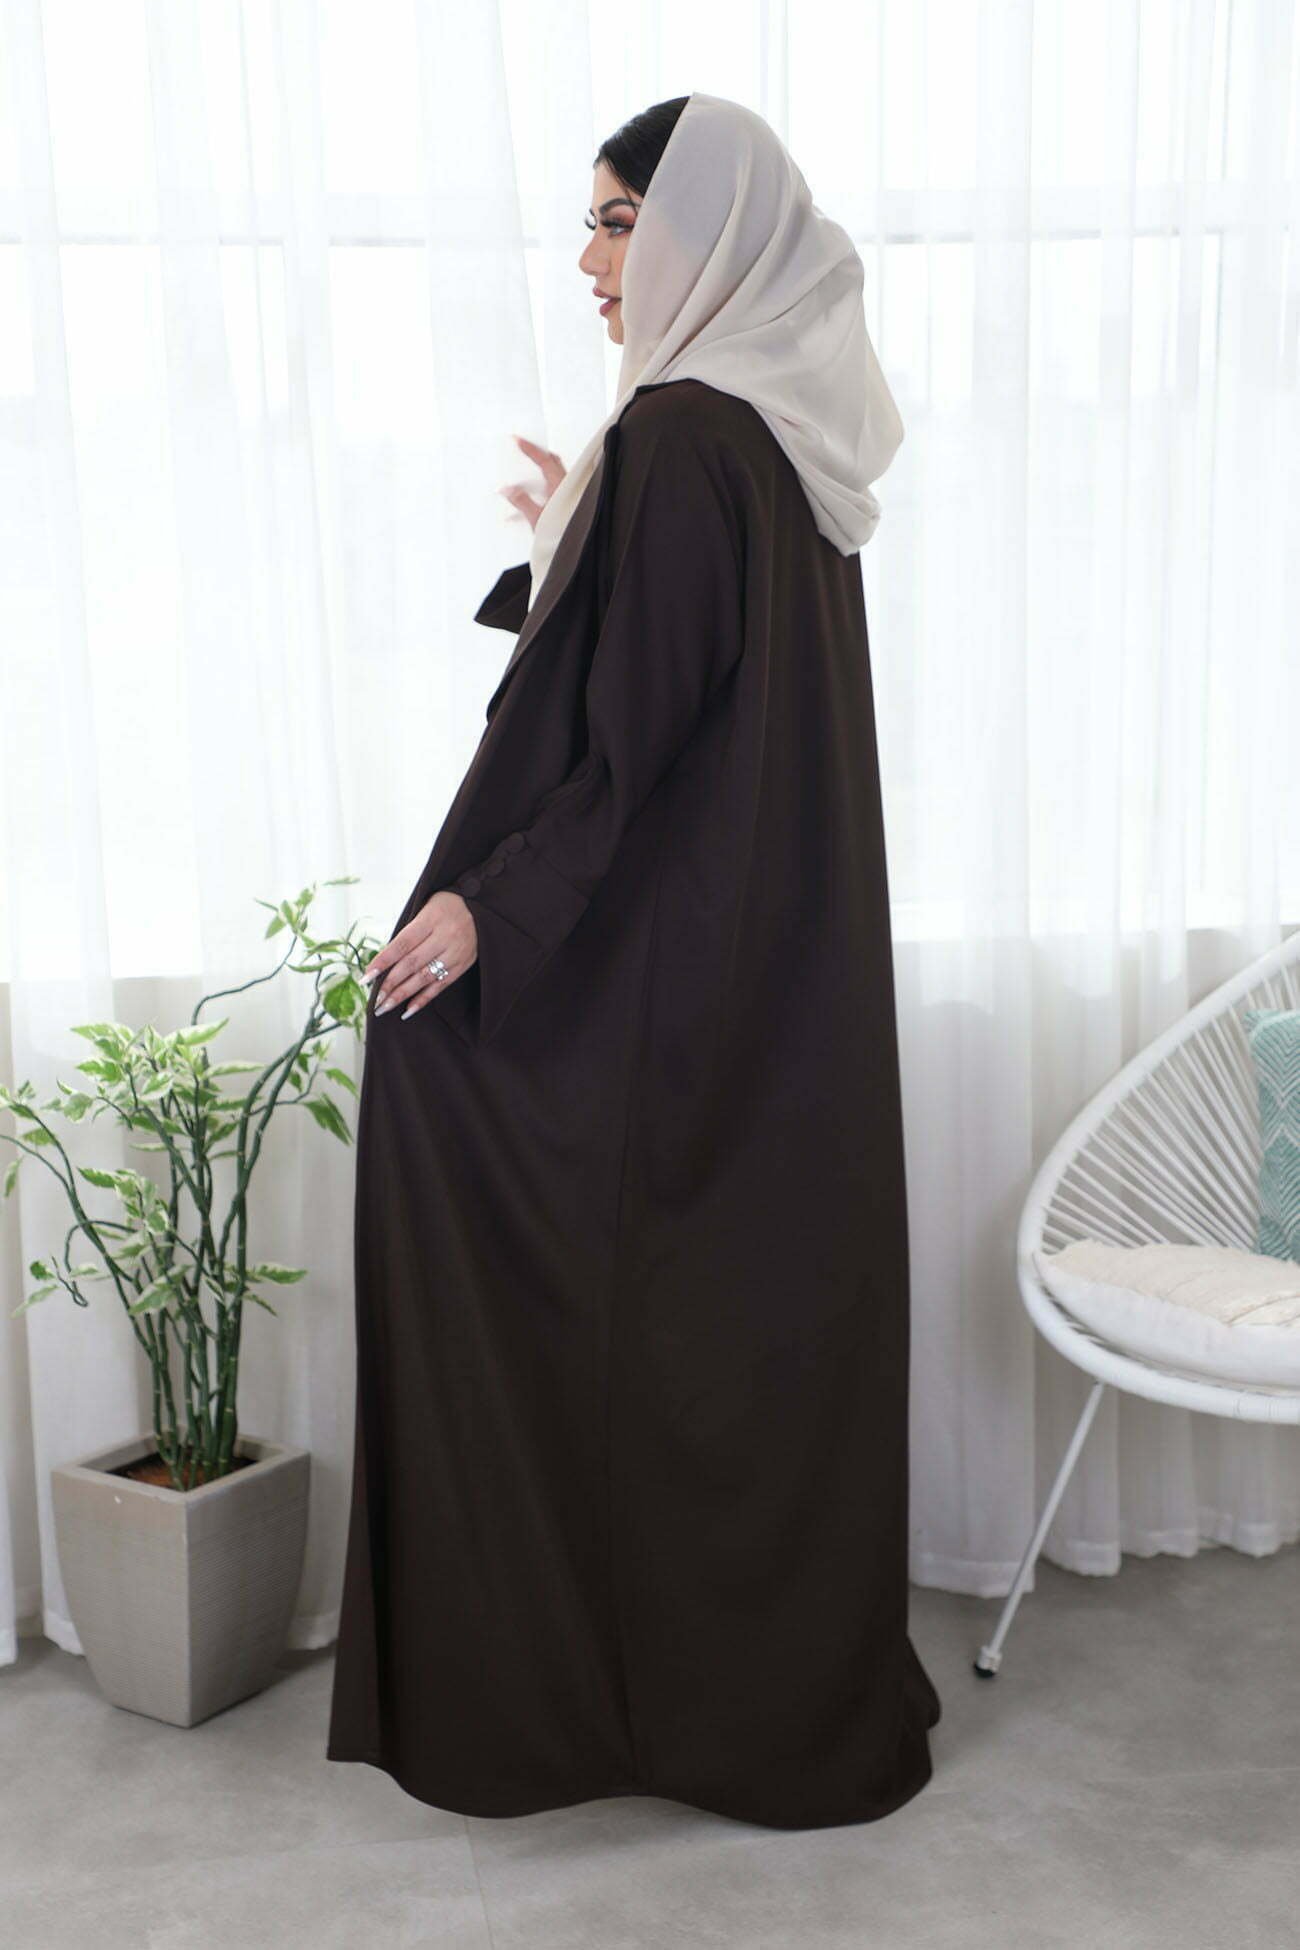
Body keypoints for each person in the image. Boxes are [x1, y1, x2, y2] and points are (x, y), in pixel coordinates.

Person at [326, 89, 941, 1831]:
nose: (592, 262)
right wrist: (566, 550)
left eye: (616, 222)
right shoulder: (780, 441)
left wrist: (485, 914)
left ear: (697, 234)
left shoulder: (678, 441)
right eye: (592, 226)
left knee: (440, 1093)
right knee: (732, 1337)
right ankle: (740, 1690)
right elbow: (685, 678)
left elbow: (625, 757)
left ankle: (546, 1689)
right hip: (771, 987)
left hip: (678, 988)